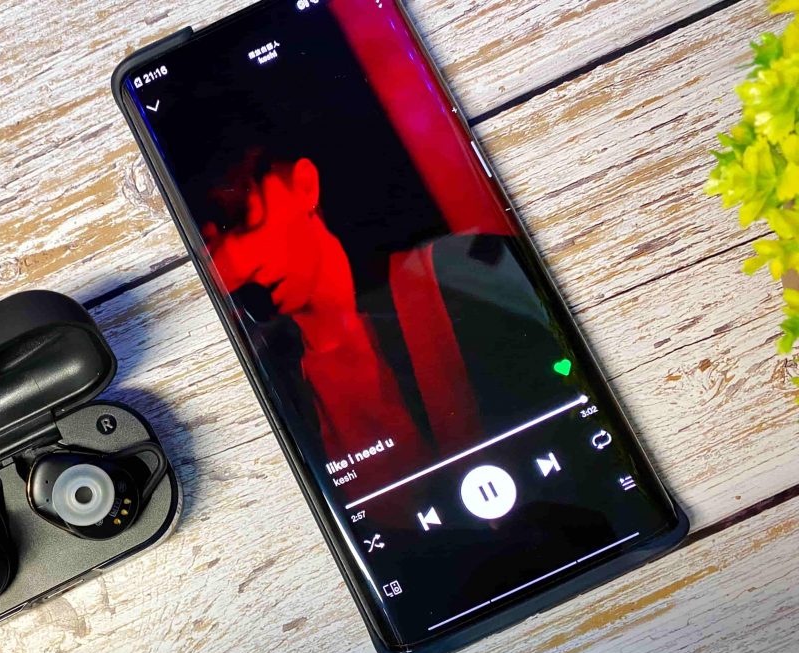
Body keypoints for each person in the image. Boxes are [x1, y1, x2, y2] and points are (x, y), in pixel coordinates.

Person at [199, 149, 562, 490]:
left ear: (304, 184)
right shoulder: (269, 389)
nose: (234, 261)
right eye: (212, 244)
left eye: (243, 214)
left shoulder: (458, 274)